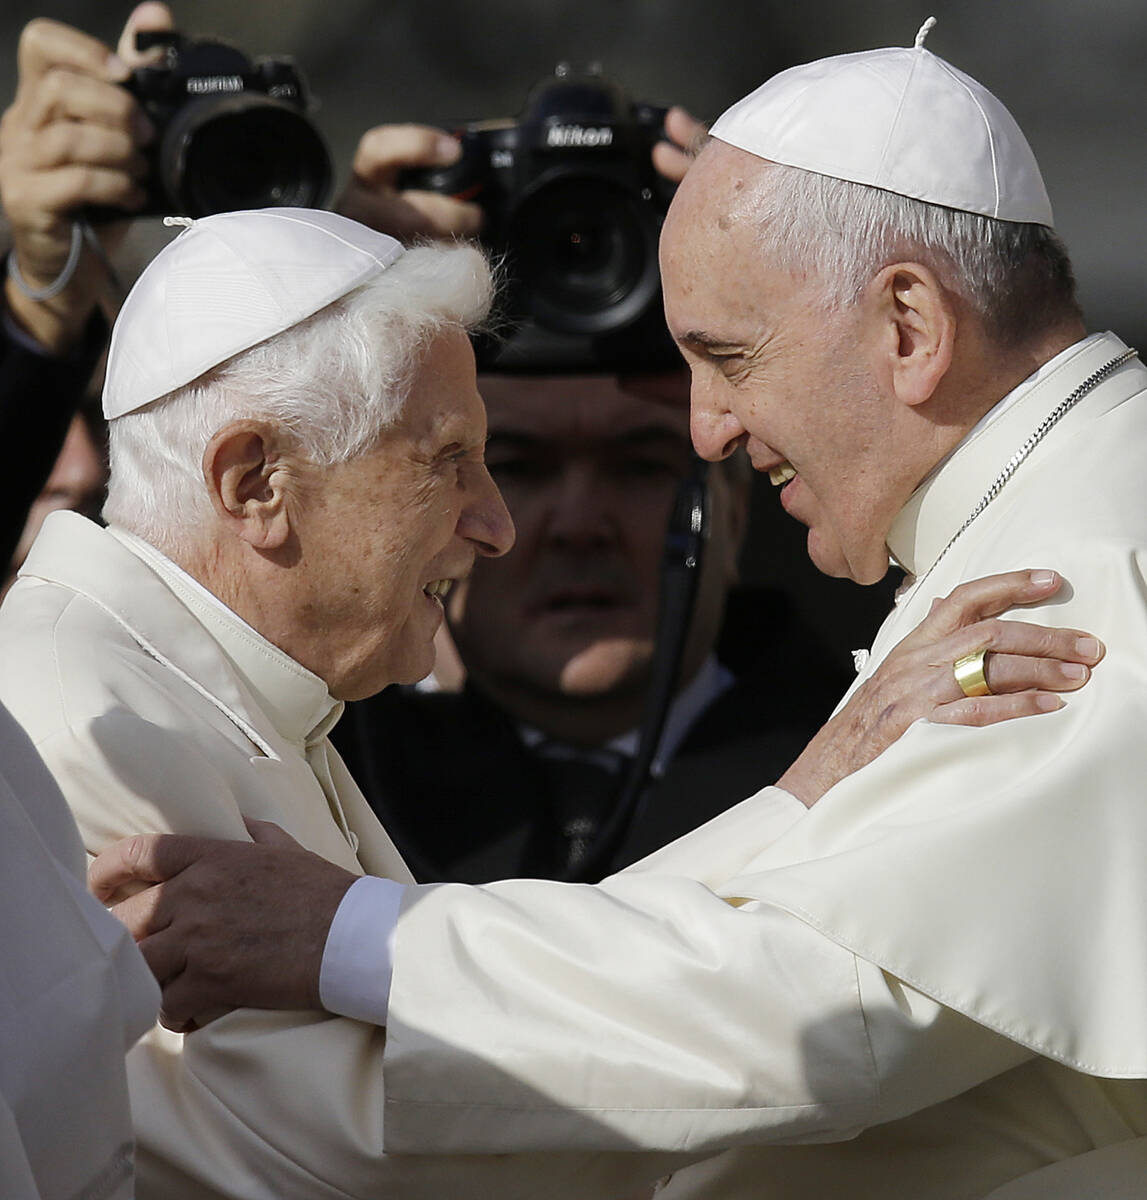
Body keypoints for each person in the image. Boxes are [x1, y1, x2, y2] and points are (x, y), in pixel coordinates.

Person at [90, 23, 1147, 1198]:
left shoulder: (1084, 568)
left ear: (908, 325)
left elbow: (835, 1003)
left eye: (727, 355)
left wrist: (351, 938)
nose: (710, 433)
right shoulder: (1047, 523)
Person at [333, 123, 849, 882]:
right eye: (512, 467)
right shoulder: (310, 763)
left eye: (639, 466)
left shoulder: (870, 752)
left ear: (737, 501)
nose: (578, 526)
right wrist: (317, 306)